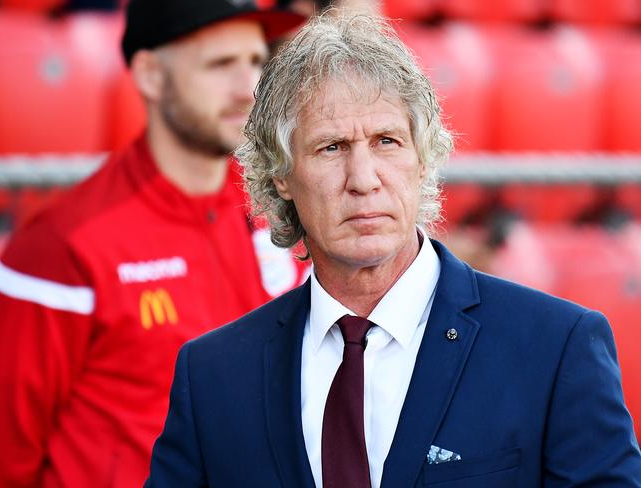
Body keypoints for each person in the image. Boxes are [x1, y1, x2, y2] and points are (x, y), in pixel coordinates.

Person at [146, 11, 641, 488]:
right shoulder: (212, 375)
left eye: (386, 142)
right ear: (281, 176)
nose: (363, 180)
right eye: (331, 147)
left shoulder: (556, 348)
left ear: (424, 160)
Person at [0, 1, 305, 486]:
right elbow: (3, 458)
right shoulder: (63, 245)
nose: (249, 88)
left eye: (256, 61)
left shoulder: (288, 210)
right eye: (220, 64)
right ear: (151, 76)